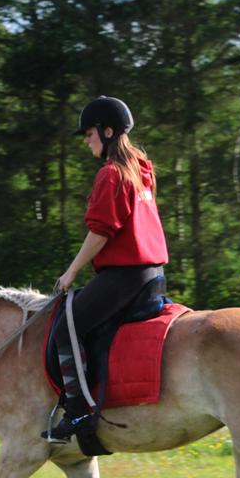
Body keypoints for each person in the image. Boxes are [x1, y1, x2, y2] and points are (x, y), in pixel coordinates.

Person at [44, 96, 169, 441]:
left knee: (64, 330)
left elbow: (100, 232)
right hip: (153, 275)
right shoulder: (142, 170)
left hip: (124, 277)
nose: (86, 140)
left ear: (108, 131)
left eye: (89, 133)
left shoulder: (111, 175)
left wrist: (70, 273)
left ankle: (79, 413)